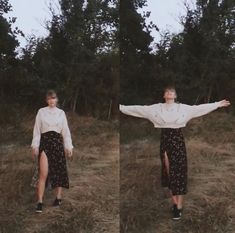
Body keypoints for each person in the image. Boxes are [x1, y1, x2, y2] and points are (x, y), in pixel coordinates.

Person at [119, 86, 230, 220]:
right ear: (164, 95)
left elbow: (200, 108)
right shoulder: (156, 108)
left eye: (172, 91)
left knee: (180, 171)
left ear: (175, 96)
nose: (169, 93)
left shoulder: (183, 108)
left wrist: (217, 104)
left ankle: (178, 206)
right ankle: (175, 203)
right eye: (167, 91)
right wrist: (121, 107)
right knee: (168, 171)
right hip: (165, 139)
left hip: (178, 139)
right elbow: (138, 109)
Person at [31, 90, 73, 213]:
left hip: (58, 144)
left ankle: (58, 197)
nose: (51, 101)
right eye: (49, 99)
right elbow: (37, 131)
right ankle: (39, 202)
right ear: (46, 100)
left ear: (57, 99)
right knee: (43, 173)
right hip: (45, 143)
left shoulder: (61, 113)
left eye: (53, 98)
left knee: (59, 171)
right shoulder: (41, 112)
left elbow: (65, 131)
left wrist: (68, 146)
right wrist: (35, 145)